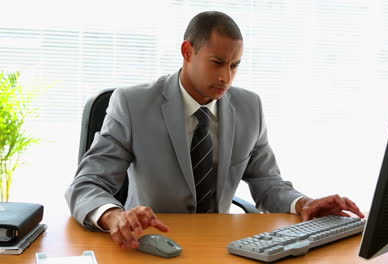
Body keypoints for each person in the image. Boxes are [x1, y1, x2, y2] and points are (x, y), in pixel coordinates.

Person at [65, 11, 364, 250]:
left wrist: (305, 203)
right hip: (150, 243)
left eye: (235, 65)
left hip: (221, 246)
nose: (226, 77)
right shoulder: (133, 104)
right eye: (217, 63)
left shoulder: (249, 107)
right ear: (187, 51)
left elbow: (266, 182)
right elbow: (87, 184)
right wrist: (113, 215)